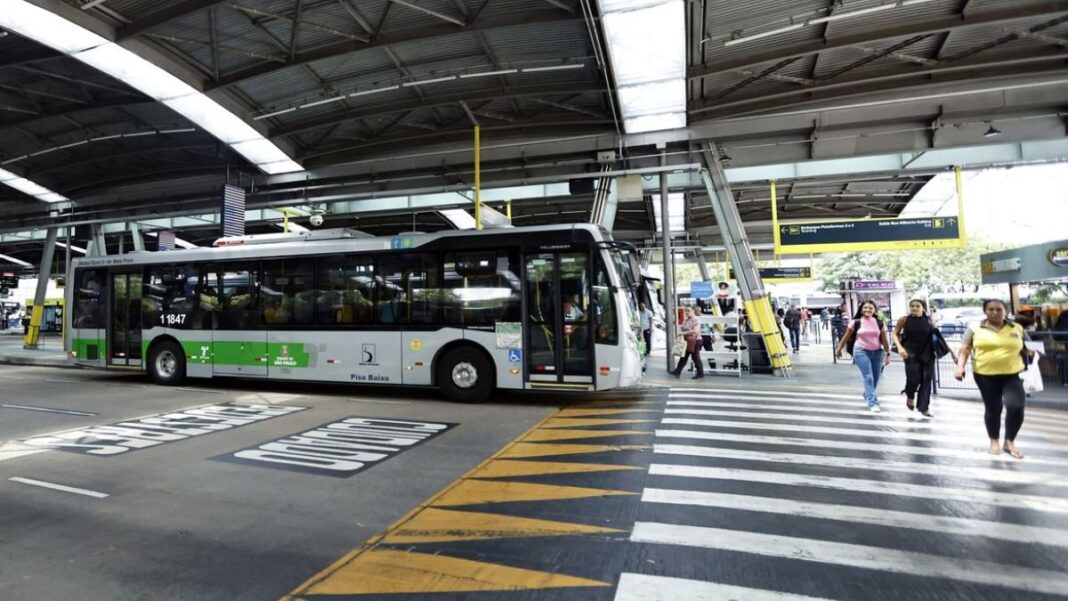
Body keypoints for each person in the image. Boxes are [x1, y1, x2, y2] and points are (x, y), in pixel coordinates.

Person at [955, 299, 1035, 459]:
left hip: (1013, 374)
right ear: (985, 311)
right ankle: (994, 441)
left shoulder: (1017, 328)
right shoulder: (974, 328)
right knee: (994, 408)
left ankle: (1009, 442)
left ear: (1005, 311)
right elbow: (964, 349)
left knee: (1016, 407)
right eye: (990, 309)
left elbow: (1030, 348)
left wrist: (1031, 352)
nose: (994, 312)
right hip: (985, 375)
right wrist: (960, 367)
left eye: (998, 309)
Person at [835, 300, 892, 413]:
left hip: (877, 352)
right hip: (861, 351)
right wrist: (839, 348)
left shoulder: (880, 323)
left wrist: (887, 354)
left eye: (871, 308)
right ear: (861, 309)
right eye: (865, 308)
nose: (868, 310)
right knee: (868, 377)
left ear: (874, 310)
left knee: (876, 378)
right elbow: (846, 337)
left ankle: (868, 394)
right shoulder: (855, 322)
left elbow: (884, 340)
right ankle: (873, 403)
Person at [892, 299, 938, 417]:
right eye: (912, 306)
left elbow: (936, 333)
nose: (914, 308)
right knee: (914, 378)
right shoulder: (904, 319)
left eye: (917, 306)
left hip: (927, 353)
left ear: (923, 307)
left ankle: (924, 408)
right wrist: (900, 348)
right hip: (910, 352)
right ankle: (910, 395)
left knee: (926, 381)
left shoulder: (928, 319)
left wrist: (933, 317)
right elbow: (895, 333)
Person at [671, 306, 704, 379]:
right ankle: (677, 371)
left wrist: (683, 333)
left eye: (688, 311)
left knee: (695, 357)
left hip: (695, 341)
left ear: (693, 311)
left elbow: (695, 330)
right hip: (687, 340)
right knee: (684, 356)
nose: (686, 312)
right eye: (686, 311)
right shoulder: (687, 319)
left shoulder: (696, 320)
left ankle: (700, 373)